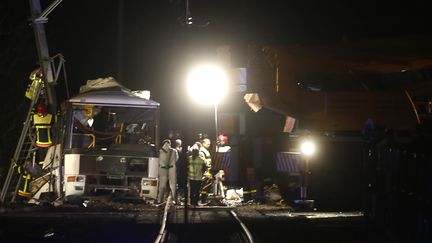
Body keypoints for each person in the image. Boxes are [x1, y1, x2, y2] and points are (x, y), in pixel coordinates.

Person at [157, 139, 179, 204]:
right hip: (172, 168)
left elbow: (157, 160)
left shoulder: (160, 151)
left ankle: (160, 200)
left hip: (162, 168)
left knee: (162, 185)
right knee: (173, 185)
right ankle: (175, 200)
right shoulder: (174, 151)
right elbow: (177, 159)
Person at [199, 138, 212, 203]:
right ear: (203, 143)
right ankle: (203, 199)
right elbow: (202, 161)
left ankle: (204, 199)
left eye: (209, 144)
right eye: (207, 144)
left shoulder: (205, 150)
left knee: (207, 184)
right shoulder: (202, 151)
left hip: (207, 170)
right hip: (204, 171)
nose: (209, 145)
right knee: (205, 185)